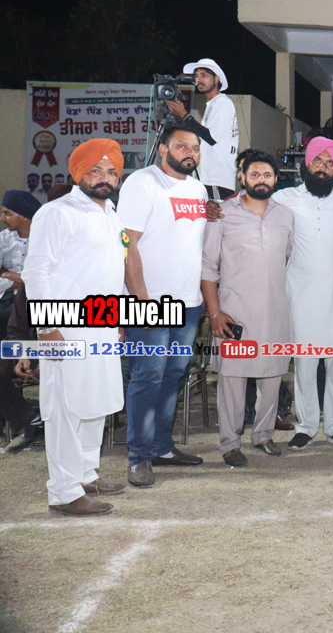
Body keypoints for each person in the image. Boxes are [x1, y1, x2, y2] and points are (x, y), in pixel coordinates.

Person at [23, 139, 127, 516]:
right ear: (79, 173)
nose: (104, 178)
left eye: (111, 172)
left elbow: (113, 271)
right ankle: (64, 491)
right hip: (66, 328)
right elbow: (36, 271)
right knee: (65, 407)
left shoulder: (112, 215)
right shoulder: (56, 212)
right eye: (96, 171)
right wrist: (47, 326)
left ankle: (85, 474)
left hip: (103, 325)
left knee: (95, 401)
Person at [117, 121, 208, 487]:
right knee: (147, 376)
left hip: (189, 303)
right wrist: (141, 301)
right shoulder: (142, 183)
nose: (190, 153)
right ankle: (138, 457)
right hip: (149, 300)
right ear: (163, 149)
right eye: (182, 146)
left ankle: (162, 448)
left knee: (173, 375)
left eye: (195, 148)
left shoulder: (198, 189)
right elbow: (127, 245)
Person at [268, 137, 333, 451]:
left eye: (330, 163)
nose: (323, 168)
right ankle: (306, 426)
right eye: (317, 161)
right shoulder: (285, 197)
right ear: (306, 163)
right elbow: (252, 202)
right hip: (300, 295)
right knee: (305, 366)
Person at [201, 151, 294, 467]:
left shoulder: (285, 216)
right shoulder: (223, 214)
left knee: (273, 376)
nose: (261, 180)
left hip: (275, 311)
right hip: (234, 312)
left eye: (267, 175)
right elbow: (208, 266)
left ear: (276, 179)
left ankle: (263, 435)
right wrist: (215, 312)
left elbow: (287, 257)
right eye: (255, 174)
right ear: (242, 177)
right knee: (232, 379)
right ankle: (229, 443)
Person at [0, 192, 43, 454]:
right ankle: (30, 421)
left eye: (8, 213)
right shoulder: (30, 283)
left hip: (66, 344)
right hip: (30, 342)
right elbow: (17, 326)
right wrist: (23, 354)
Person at [165, 58, 238, 200]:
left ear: (216, 79)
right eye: (196, 76)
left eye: (204, 75)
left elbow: (211, 138)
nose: (199, 80)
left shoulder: (222, 103)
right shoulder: (212, 105)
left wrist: (184, 115)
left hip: (216, 179)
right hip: (208, 178)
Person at [0, 191, 40, 330]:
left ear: (23, 216)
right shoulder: (3, 239)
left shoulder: (45, 240)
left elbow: (45, 279)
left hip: (37, 301)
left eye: (7, 214)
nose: (2, 218)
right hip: (5, 301)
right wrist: (25, 282)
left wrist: (6, 274)